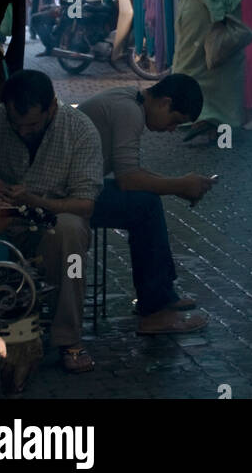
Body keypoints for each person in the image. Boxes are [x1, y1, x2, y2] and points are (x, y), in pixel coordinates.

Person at [0, 69, 103, 373]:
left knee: (69, 233)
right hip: (2, 221)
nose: (24, 131)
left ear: (51, 106)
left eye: (33, 125)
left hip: (53, 220)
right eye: (17, 125)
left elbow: (85, 204)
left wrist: (36, 202)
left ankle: (69, 340)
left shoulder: (79, 129)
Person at [78, 76, 213, 334]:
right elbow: (129, 179)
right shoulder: (130, 111)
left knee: (146, 201)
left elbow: (131, 172)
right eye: (174, 121)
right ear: (165, 102)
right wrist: (180, 185)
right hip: (67, 195)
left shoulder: (131, 100)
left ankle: (162, 296)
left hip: (79, 186)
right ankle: (155, 311)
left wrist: (179, 186)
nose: (172, 129)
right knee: (145, 207)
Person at [172, 0, 249, 143]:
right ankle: (217, 121)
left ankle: (199, 117)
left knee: (191, 68)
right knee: (219, 68)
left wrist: (217, 14)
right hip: (219, 21)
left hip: (196, 24)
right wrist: (225, 11)